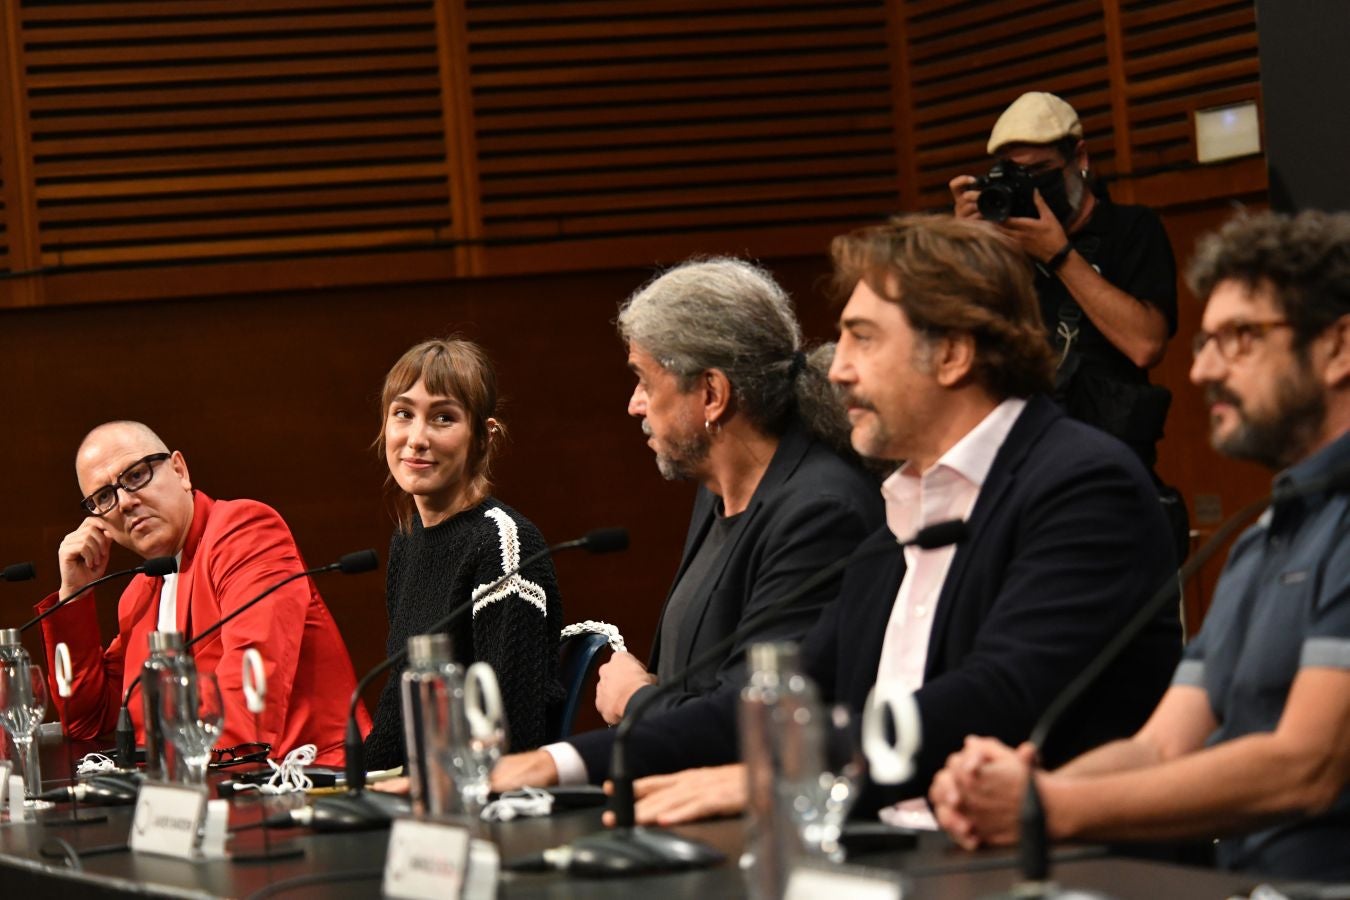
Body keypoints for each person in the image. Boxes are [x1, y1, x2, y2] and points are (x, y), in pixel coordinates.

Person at [602, 215, 1181, 828]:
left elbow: (996, 697)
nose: (837, 369)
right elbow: (783, 701)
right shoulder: (904, 510)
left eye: (863, 339)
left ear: (953, 354)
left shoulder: (1082, 485)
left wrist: (786, 773)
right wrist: (559, 764)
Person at [930, 210, 1350, 881]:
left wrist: (1048, 805)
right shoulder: (1262, 539)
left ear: (1338, 348)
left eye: (1239, 337)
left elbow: (1306, 767)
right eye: (1204, 340)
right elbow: (1160, 748)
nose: (1202, 368)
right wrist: (1011, 786)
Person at [489, 257, 883, 790]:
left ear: (712, 395)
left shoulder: (821, 512)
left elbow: (762, 719)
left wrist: (637, 701)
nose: (634, 406)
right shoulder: (716, 490)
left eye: (645, 382)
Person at [38, 421, 368, 766]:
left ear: (180, 470)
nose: (124, 503)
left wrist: (170, 786)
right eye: (104, 497)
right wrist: (74, 595)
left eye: (135, 476)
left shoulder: (244, 533)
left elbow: (249, 700)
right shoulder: (138, 595)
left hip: (309, 783)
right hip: (206, 790)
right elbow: (87, 722)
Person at [950, 92, 1186, 556]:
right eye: (1016, 177)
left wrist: (1059, 256)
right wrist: (963, 248)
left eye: (1040, 173)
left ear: (1079, 157)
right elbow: (951, 355)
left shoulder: (1132, 229)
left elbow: (1145, 343)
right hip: (1017, 482)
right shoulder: (997, 248)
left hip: (1111, 478)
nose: (1032, 191)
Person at [362, 339, 563, 771]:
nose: (416, 439)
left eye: (443, 418)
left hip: (474, 803)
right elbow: (401, 707)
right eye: (403, 414)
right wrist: (350, 786)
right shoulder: (409, 538)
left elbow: (510, 735)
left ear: (482, 436)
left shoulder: (504, 545)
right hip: (415, 794)